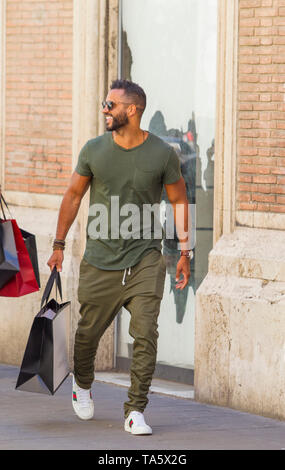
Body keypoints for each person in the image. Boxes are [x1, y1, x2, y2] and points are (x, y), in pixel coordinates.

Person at [47, 79, 192, 435]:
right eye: (103, 104)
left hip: (145, 259)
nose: (104, 110)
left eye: (110, 105)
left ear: (133, 110)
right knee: (87, 336)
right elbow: (73, 195)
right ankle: (82, 384)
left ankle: (135, 411)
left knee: (146, 334)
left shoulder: (162, 154)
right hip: (100, 260)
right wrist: (58, 245)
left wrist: (185, 251)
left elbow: (179, 200)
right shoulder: (94, 150)